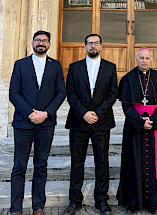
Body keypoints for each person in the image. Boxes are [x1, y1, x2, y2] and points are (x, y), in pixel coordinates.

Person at [9, 30, 66, 215]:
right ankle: (15, 208)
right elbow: (14, 93)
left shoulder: (55, 66)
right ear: (32, 43)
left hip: (46, 124)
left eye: (44, 40)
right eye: (38, 40)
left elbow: (61, 93)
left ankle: (38, 207)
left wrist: (46, 113)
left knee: (41, 165)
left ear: (49, 44)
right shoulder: (20, 64)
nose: (41, 43)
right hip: (23, 123)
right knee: (19, 167)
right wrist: (30, 113)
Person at [63, 34, 118, 215]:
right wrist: (84, 113)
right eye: (89, 43)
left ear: (101, 46)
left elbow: (112, 94)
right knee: (77, 162)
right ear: (85, 46)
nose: (93, 46)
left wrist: (97, 114)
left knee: (102, 162)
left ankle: (101, 200)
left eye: (96, 43)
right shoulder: (74, 67)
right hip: (79, 121)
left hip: (101, 122)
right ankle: (74, 200)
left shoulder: (110, 68)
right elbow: (70, 94)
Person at [116, 47, 157, 214]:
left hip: (155, 127)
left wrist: (152, 121)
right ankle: (133, 202)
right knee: (133, 162)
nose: (144, 61)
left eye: (147, 58)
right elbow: (126, 106)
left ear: (151, 59)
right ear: (136, 58)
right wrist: (140, 122)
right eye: (141, 58)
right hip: (133, 127)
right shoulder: (127, 79)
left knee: (155, 163)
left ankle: (154, 203)